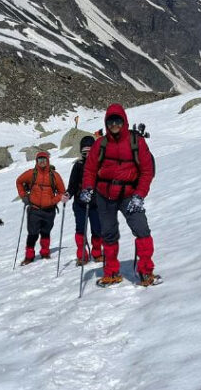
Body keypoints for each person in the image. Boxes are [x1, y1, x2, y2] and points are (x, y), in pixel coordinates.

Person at [80, 104, 160, 287]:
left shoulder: (136, 142)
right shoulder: (100, 144)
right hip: (104, 195)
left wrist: (139, 195)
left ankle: (146, 271)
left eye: (118, 121)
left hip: (129, 195)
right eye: (110, 122)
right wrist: (87, 188)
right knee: (108, 234)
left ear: (124, 122)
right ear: (106, 123)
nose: (114, 125)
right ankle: (111, 272)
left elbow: (147, 171)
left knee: (142, 230)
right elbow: (90, 169)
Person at [15, 151, 66, 265]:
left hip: (49, 210)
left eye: (44, 160)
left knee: (45, 232)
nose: (42, 162)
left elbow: (62, 192)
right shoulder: (31, 174)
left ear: (48, 161)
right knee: (32, 234)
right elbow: (19, 182)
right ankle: (29, 256)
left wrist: (53, 201)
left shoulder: (54, 175)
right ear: (36, 161)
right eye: (40, 160)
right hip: (34, 209)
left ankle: (45, 253)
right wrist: (23, 196)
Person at [64, 136, 103, 266]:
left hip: (96, 204)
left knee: (97, 229)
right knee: (80, 229)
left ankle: (97, 253)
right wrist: (68, 194)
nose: (87, 155)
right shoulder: (78, 166)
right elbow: (72, 185)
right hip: (80, 204)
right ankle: (82, 255)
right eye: (84, 152)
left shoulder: (100, 165)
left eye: (90, 152)